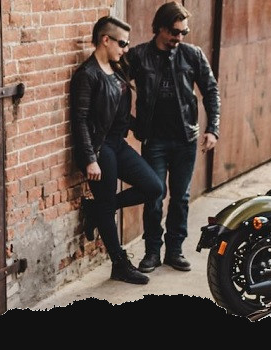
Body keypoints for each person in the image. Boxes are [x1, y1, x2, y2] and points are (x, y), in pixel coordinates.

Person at [124, 1, 221, 273]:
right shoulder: (139, 55)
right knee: (154, 196)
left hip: (184, 140)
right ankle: (152, 251)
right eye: (175, 33)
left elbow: (211, 91)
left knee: (180, 198)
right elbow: (115, 86)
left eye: (183, 33)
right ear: (160, 28)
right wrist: (130, 124)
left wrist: (213, 128)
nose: (179, 38)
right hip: (154, 140)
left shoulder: (192, 55)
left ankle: (175, 250)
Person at [71, 15, 165, 285]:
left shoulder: (118, 68)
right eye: (122, 43)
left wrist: (139, 127)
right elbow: (80, 120)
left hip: (118, 144)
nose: (126, 49)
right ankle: (119, 263)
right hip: (100, 149)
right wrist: (90, 159)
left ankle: (97, 209)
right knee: (106, 203)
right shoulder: (88, 75)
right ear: (105, 39)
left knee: (154, 187)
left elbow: (117, 112)